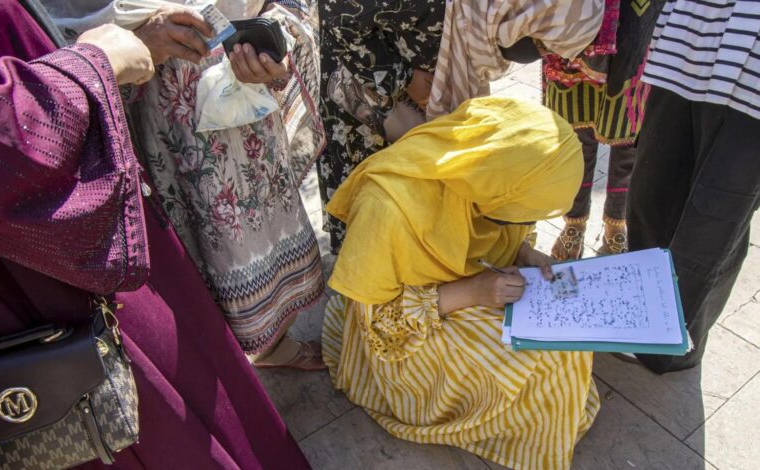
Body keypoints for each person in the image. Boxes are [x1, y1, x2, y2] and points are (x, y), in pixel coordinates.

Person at [0, 0, 310, 468]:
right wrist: (92, 65)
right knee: (130, 413)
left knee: (201, 366)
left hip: (87, 183)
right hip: (44, 256)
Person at [44, 0, 328, 369]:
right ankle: (209, 374)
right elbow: (44, 26)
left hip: (241, 104)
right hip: (143, 113)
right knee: (177, 265)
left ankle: (272, 346)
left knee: (255, 239)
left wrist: (273, 41)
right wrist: (131, 42)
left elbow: (289, 7)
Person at [322, 97, 600, 469]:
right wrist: (474, 292)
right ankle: (529, 432)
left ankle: (546, 417)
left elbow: (496, 228)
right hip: (407, 338)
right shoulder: (386, 208)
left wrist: (522, 252)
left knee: (569, 342)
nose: (524, 223)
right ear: (497, 183)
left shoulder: (484, 173)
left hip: (461, 293)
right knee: (547, 359)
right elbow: (380, 327)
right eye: (524, 214)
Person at [317, 0, 605, 253]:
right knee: (377, 214)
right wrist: (402, 77)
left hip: (413, 101)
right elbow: (337, 18)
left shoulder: (479, 13)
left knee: (423, 195)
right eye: (542, 42)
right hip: (362, 96)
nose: (540, 52)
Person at [626, 0, 760, 374]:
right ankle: (636, 322)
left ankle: (673, 347)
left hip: (752, 79)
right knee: (650, 195)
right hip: (686, 44)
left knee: (714, 218)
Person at [543, 0, 665, 260]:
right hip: (576, 23)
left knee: (629, 134)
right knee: (573, 135)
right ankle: (574, 222)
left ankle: (616, 225)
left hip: (641, 21)